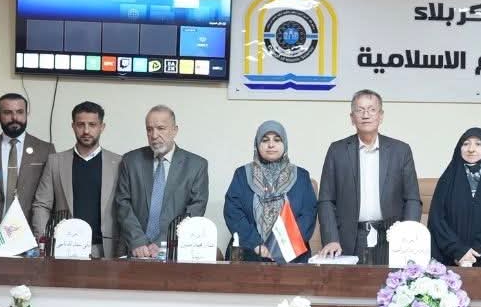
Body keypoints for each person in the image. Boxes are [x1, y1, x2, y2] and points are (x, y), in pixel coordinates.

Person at [317, 90, 421, 262]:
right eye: (360, 110)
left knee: (391, 280)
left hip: (392, 238)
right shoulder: (337, 151)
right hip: (349, 239)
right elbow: (326, 200)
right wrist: (331, 239)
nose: (366, 115)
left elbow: (412, 199)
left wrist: (408, 235)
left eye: (372, 110)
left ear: (381, 116)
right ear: (352, 117)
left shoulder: (400, 151)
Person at [115, 105, 208, 258]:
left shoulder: (196, 165)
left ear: (175, 130)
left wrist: (163, 242)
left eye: (161, 128)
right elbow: (122, 203)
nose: (154, 135)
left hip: (174, 250)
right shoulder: (131, 160)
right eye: (149, 129)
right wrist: (138, 240)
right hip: (134, 250)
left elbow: (195, 210)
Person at [31, 102, 121, 258]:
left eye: (92, 125)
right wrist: (44, 241)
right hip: (64, 249)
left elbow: (125, 208)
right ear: (73, 126)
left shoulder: (118, 163)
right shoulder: (55, 162)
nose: (86, 131)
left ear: (102, 127)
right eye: (81, 125)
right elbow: (41, 205)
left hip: (106, 250)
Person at [224, 121, 317, 263]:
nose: (271, 145)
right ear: (257, 144)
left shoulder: (301, 176)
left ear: (285, 144)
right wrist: (256, 245)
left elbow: (308, 215)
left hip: (291, 255)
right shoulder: (242, 174)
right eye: (265, 140)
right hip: (249, 253)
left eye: (277, 140)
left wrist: (281, 248)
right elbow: (233, 212)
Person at [0, 93, 55, 255]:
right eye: (7, 113)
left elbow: (50, 198)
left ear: (27, 113)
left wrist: (42, 237)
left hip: (31, 240)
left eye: (20, 112)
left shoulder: (46, 150)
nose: (14, 118)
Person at [428, 128, 481, 267]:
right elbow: (437, 220)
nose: (471, 149)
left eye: (478, 144)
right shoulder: (447, 180)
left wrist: (478, 249)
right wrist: (458, 251)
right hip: (451, 260)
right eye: (466, 144)